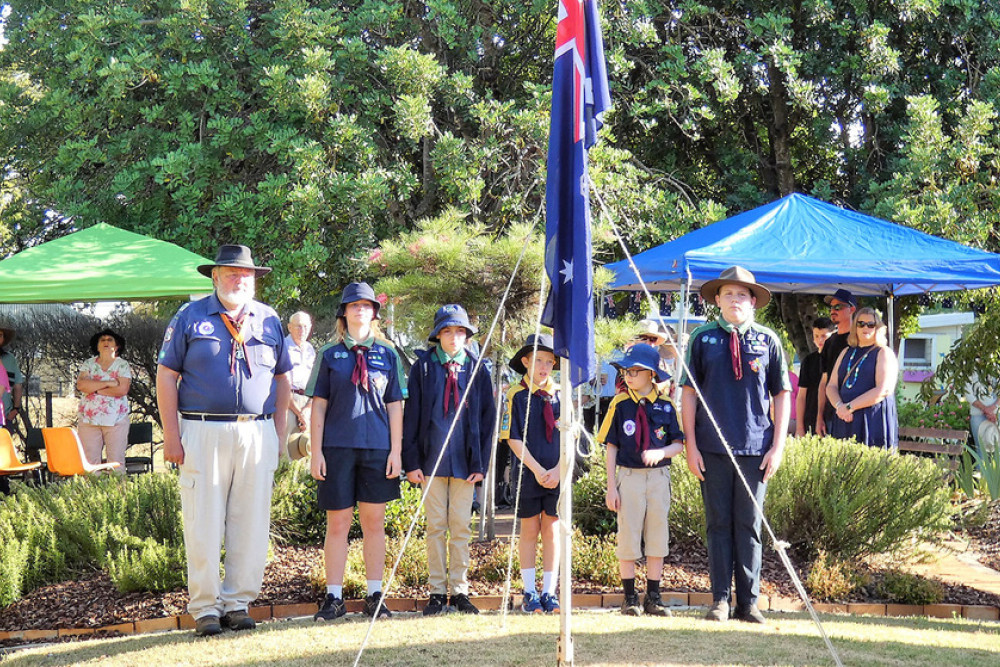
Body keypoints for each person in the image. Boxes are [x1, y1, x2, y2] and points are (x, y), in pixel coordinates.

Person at [156, 244, 291, 637]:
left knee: (250, 521)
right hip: (202, 430)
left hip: (256, 430)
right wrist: (171, 434)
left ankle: (237, 603)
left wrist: (279, 432)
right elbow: (166, 375)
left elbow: (283, 379)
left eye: (245, 274)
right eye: (230, 273)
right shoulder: (190, 316)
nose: (238, 280)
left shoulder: (269, 320)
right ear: (214, 277)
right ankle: (205, 608)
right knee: (203, 521)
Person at [681, 266, 790, 624]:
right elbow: (688, 395)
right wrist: (690, 446)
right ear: (717, 299)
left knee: (749, 525)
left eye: (742, 294)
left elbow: (782, 394)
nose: (735, 300)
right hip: (711, 448)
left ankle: (749, 602)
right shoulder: (702, 339)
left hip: (755, 448)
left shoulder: (767, 340)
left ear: (753, 301)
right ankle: (720, 600)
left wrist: (778, 446)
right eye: (728, 294)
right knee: (717, 525)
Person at [310, 282, 405, 622]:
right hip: (336, 448)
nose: (360, 311)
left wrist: (396, 450)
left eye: (367, 306)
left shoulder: (388, 354)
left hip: (378, 448)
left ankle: (374, 595)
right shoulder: (329, 354)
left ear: (374, 313)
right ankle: (333, 598)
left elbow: (396, 405)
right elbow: (318, 406)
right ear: (344, 313)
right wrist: (315, 451)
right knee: (338, 524)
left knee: (374, 523)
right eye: (354, 306)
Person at [403, 304, 495, 616]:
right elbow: (412, 416)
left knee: (460, 527)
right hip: (431, 462)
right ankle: (436, 591)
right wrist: (412, 461)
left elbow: (487, 418)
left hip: (465, 463)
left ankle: (459, 590)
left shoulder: (477, 368)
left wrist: (480, 464)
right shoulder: (424, 368)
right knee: (435, 526)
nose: (453, 337)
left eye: (459, 331)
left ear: (467, 335)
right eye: (447, 331)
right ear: (437, 335)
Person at [598, 343, 684, 617]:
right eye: (626, 371)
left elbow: (678, 444)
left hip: (658, 478)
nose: (628, 376)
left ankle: (654, 596)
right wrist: (611, 486)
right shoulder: (620, 404)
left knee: (657, 535)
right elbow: (611, 446)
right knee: (628, 536)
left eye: (635, 371)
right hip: (629, 477)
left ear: (651, 374)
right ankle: (630, 597)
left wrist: (660, 452)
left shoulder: (667, 406)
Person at [500, 333, 562, 614]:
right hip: (528, 473)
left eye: (550, 362)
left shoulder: (560, 394)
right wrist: (537, 470)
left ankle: (549, 591)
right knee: (529, 530)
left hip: (556, 473)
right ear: (525, 361)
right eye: (538, 360)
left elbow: (570, 438)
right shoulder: (516, 395)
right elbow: (513, 438)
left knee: (552, 530)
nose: (544, 367)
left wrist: (558, 470)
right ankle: (529, 591)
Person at [826, 307, 899, 449]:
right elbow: (831, 386)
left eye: (871, 324)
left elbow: (883, 390)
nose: (866, 327)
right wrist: (840, 407)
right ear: (855, 326)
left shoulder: (883, 352)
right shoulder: (846, 352)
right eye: (861, 323)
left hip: (872, 419)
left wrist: (850, 407)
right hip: (845, 419)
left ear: (877, 327)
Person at [76, 329, 132, 471]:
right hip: (89, 420)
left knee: (116, 461)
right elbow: (81, 385)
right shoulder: (88, 364)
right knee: (90, 462)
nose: (106, 342)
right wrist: (109, 383)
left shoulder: (122, 365)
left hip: (116, 420)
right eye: (102, 340)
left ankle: (117, 493)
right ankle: (92, 493)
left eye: (110, 340)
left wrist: (94, 389)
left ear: (117, 345)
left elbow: (122, 390)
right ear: (97, 345)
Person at [816, 289, 856, 435]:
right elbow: (823, 383)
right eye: (831, 307)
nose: (833, 310)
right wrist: (819, 417)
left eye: (838, 307)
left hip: (855, 411)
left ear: (852, 309)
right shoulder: (829, 343)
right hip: (832, 414)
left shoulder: (860, 340)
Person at [795, 317, 835, 437]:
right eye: (816, 336)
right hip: (810, 418)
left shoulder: (838, 358)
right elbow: (801, 396)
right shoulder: (808, 361)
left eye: (824, 335)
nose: (820, 340)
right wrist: (799, 427)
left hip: (833, 417)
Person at [284, 311, 316, 452]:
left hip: (307, 402)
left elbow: (314, 380)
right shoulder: (282, 348)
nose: (302, 330)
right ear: (289, 327)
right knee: (288, 449)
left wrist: (307, 410)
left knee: (305, 449)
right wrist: (299, 413)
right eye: (298, 326)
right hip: (288, 403)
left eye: (305, 326)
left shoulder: (310, 349)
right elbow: (281, 384)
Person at [966, 374, 998, 458]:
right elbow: (969, 395)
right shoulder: (969, 369)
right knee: (981, 450)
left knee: (998, 449)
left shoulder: (995, 367)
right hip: (978, 415)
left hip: (996, 413)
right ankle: (981, 471)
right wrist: (986, 410)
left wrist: (994, 408)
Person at [0, 325, 25, 430]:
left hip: (5, 416)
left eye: (0, 335)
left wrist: (15, 408)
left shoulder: (9, 359)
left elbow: (18, 385)